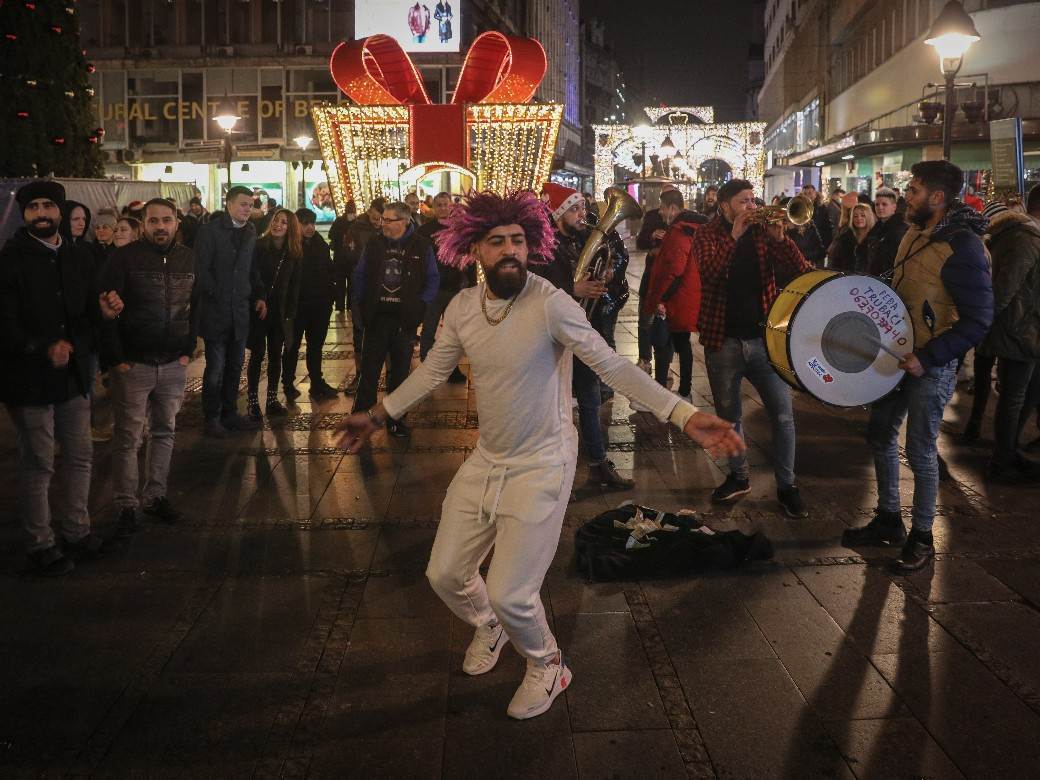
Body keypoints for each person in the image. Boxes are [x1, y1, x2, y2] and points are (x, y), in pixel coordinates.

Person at [333, 190, 745, 721]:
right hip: (488, 459)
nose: (510, 250)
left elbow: (609, 365)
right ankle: (491, 625)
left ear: (532, 247)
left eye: (519, 241)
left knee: (511, 590)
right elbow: (435, 371)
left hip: (544, 460)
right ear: (475, 249)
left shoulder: (551, 302)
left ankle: (548, 663)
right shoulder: (463, 307)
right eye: (497, 241)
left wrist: (684, 415)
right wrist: (378, 413)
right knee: (443, 574)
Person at [843, 161, 993, 573]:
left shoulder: (963, 246)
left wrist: (927, 358)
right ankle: (889, 519)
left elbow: (979, 319)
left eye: (915, 189)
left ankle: (922, 536)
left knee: (922, 450)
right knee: (880, 433)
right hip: (896, 357)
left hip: (932, 365)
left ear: (938, 197)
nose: (907, 194)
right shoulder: (915, 233)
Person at [0, 181, 123, 575]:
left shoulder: (79, 257)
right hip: (28, 380)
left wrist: (104, 314)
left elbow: (89, 312)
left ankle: (76, 530)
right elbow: (4, 323)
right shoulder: (10, 259)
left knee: (80, 455)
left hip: (73, 376)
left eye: (47, 206)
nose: (41, 213)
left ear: (60, 210)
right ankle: (41, 543)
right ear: (24, 213)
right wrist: (40, 347)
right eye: (33, 206)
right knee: (39, 462)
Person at [694, 179, 814, 517]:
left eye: (753, 199)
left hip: (764, 340)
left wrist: (781, 238)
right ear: (725, 205)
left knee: (783, 415)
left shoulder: (764, 233)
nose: (751, 206)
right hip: (723, 341)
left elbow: (800, 270)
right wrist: (734, 236)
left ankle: (787, 486)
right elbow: (710, 273)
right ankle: (739, 476)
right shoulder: (708, 234)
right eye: (743, 201)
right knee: (729, 418)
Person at [101, 198, 196, 534]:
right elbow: (107, 309)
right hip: (134, 362)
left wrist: (188, 349)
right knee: (128, 437)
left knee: (164, 432)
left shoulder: (188, 258)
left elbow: (194, 305)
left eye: (166, 220)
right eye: (153, 221)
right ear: (143, 224)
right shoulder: (124, 258)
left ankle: (155, 496)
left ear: (176, 223)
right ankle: (126, 504)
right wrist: (118, 359)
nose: (160, 226)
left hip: (173, 362)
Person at [535, 183, 633, 489]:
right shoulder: (543, 245)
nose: (583, 214)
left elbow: (609, 266)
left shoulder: (583, 239)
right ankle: (545, 465)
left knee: (591, 398)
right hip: (551, 338)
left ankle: (597, 463)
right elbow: (535, 286)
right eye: (575, 209)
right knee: (550, 403)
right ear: (560, 213)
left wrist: (605, 276)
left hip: (583, 330)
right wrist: (572, 288)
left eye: (582, 208)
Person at [351, 202, 438, 436]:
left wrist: (420, 307)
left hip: (404, 320)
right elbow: (359, 275)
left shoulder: (421, 245)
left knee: (400, 374)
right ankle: (361, 417)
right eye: (383, 219)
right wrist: (361, 305)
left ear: (404, 221)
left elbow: (432, 279)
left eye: (388, 220)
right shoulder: (375, 244)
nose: (383, 224)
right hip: (377, 318)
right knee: (369, 372)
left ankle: (396, 419)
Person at [969, 201, 1040, 482]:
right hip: (1019, 328)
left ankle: (1008, 451)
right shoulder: (1025, 239)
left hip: (1024, 327)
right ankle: (1001, 462)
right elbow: (1005, 288)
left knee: (1027, 393)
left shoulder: (1021, 235)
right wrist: (983, 324)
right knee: (1015, 397)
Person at [194, 185, 260, 438]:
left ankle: (230, 413)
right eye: (243, 204)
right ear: (229, 204)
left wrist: (257, 295)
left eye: (250, 205)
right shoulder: (210, 232)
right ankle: (211, 416)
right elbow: (201, 270)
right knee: (215, 369)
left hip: (240, 313)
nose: (247, 209)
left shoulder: (251, 231)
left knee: (235, 367)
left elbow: (251, 269)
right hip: (216, 313)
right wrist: (218, 294)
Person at [642, 190, 708, 402]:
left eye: (662, 207)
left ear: (672, 208)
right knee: (680, 343)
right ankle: (684, 391)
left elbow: (674, 271)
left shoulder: (679, 232)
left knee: (663, 345)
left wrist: (661, 298)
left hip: (676, 298)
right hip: (685, 296)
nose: (660, 212)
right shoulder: (689, 228)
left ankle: (665, 393)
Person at [245, 208, 303, 419]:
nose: (278, 225)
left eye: (284, 222)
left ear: (291, 228)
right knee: (258, 354)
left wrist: (290, 313)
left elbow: (295, 284)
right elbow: (251, 276)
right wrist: (256, 301)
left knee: (276, 356)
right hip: (260, 310)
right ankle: (252, 401)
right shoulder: (259, 246)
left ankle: (271, 398)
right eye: (276, 220)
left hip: (279, 312)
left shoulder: (294, 252)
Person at [283, 208, 339, 401]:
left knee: (316, 346)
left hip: (320, 305)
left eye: (312, 223)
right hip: (297, 306)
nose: (310, 228)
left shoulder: (319, 244)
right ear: (296, 224)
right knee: (292, 346)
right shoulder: (290, 246)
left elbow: (329, 269)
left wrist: (331, 294)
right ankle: (287, 383)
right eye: (305, 223)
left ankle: (317, 382)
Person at [418, 192, 468, 383]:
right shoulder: (424, 231)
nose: (442, 208)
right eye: (439, 204)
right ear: (434, 207)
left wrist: (469, 284)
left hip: (454, 287)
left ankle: (452, 369)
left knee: (452, 332)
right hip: (433, 289)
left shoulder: (459, 230)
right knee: (428, 330)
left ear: (451, 206)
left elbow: (467, 258)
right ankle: (426, 368)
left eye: (445, 204)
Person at [340, 198, 386, 387]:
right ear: (370, 210)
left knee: (385, 331)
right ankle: (360, 374)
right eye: (376, 217)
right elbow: (348, 255)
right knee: (360, 332)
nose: (379, 221)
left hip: (385, 287)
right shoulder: (356, 229)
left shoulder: (389, 228)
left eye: (382, 218)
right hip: (362, 286)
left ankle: (389, 374)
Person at [634, 186, 677, 376]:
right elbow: (640, 242)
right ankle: (645, 359)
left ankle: (665, 362)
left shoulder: (682, 219)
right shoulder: (652, 216)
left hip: (671, 277)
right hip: (651, 273)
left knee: (668, 322)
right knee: (645, 319)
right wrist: (652, 237)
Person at [866, 187, 909, 276]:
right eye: (877, 204)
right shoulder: (877, 228)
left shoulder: (900, 230)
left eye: (884, 204)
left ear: (894, 206)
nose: (880, 207)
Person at [826, 203, 876, 273]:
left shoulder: (875, 238)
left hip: (869, 280)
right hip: (845, 279)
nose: (859, 218)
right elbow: (835, 262)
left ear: (868, 217)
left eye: (863, 215)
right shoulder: (845, 237)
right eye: (855, 216)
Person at [800, 182, 833, 251]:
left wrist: (827, 246)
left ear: (815, 195)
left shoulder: (822, 208)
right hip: (803, 246)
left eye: (810, 193)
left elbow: (827, 228)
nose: (807, 196)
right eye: (805, 194)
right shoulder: (799, 208)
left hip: (818, 245)